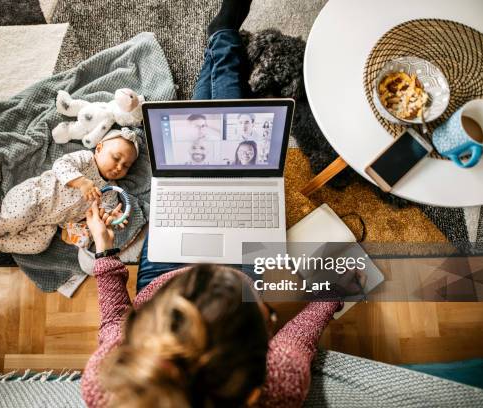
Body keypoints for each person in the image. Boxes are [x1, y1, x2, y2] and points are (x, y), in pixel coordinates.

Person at [81, 1, 350, 407]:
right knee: (229, 134)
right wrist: (335, 288)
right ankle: (221, 38)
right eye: (269, 317)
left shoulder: (110, 384)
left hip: (163, 266)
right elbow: (301, 337)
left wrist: (104, 250)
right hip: (205, 269)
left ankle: (222, 40)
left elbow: (113, 321)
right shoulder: (281, 386)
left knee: (198, 145)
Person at [0, 128, 136, 260]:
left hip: (48, 223)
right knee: (16, 217)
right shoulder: (86, 159)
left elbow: (103, 212)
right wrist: (81, 182)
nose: (119, 167)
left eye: (126, 166)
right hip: (35, 197)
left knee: (38, 245)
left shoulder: (110, 191)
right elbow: (60, 165)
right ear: (99, 149)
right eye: (116, 158)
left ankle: (0, 244)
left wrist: (111, 217)